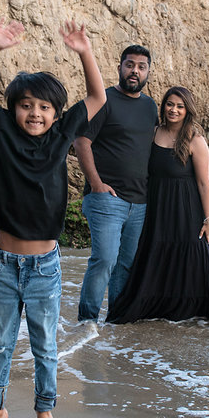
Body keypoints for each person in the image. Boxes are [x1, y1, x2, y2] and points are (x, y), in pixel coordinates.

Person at [0, 19, 106, 418]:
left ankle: (44, 410)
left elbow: (97, 98)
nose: (34, 114)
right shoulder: (2, 130)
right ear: (13, 110)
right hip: (3, 264)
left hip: (44, 267)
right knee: (1, 344)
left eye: (43, 107)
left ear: (56, 115)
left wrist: (84, 52)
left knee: (45, 346)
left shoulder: (62, 135)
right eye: (26, 106)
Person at [106, 86, 209, 326]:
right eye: (170, 104)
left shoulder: (195, 141)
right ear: (163, 106)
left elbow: (204, 183)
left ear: (188, 110)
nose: (173, 110)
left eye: (180, 106)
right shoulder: (153, 133)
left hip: (186, 209)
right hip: (156, 207)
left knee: (197, 258)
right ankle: (160, 309)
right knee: (155, 255)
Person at [74, 44, 159, 321]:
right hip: (107, 199)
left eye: (141, 67)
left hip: (141, 201)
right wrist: (96, 184)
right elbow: (81, 141)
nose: (135, 71)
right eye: (130, 64)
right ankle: (87, 322)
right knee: (105, 260)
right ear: (120, 66)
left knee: (127, 264)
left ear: (148, 72)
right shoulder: (103, 100)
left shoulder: (150, 106)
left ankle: (117, 322)